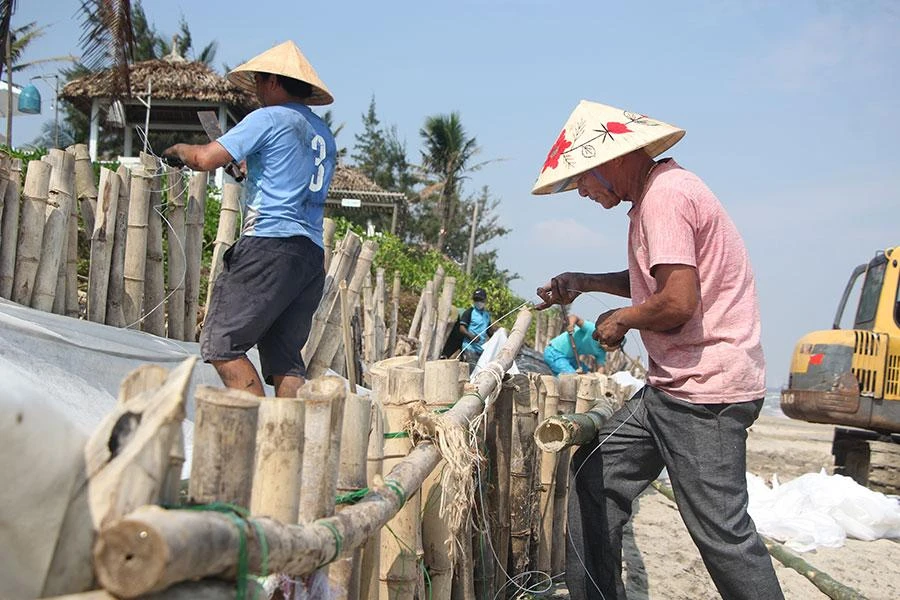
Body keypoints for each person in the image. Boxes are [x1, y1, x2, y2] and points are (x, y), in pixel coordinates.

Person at [532, 101, 783, 600]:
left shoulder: (666, 198)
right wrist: (584, 281)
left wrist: (621, 319)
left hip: (706, 395)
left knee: (722, 536)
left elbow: (677, 301)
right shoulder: (654, 197)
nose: (581, 191)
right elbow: (657, 280)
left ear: (611, 161)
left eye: (582, 179)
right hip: (671, 391)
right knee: (595, 473)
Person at [163, 41, 336, 399]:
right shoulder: (323, 134)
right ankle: (291, 447)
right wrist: (250, 169)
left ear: (273, 81)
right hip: (309, 256)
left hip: (269, 244)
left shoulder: (269, 117)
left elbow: (204, 158)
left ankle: (260, 436)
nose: (256, 90)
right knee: (285, 360)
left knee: (222, 342)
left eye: (259, 81)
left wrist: (177, 150)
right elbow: (289, 173)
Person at [459, 288, 496, 365]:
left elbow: (489, 331)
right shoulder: (469, 312)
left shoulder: (486, 315)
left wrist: (497, 336)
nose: (478, 302)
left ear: (485, 300)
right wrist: (471, 336)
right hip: (469, 348)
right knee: (472, 371)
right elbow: (462, 328)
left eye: (480, 299)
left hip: (481, 349)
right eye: (476, 300)